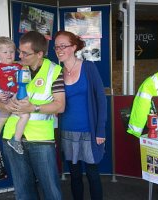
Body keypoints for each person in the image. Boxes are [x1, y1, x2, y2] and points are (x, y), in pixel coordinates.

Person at [0, 31, 65, 200]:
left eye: (25, 53)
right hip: (11, 137)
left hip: (40, 139)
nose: (19, 56)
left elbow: (60, 106)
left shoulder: (54, 71)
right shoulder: (13, 67)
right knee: (23, 191)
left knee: (51, 189)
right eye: (19, 52)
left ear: (40, 54)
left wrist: (33, 107)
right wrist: (5, 105)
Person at [54, 30, 107, 200]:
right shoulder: (56, 73)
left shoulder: (88, 67)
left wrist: (100, 130)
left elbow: (101, 100)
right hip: (67, 132)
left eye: (63, 46)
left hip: (89, 131)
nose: (59, 50)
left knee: (92, 174)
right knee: (75, 176)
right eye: (56, 47)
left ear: (74, 47)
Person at [0, 36, 30, 154]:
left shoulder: (18, 66)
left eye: (11, 52)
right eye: (5, 52)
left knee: (6, 118)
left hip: (17, 96)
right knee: (6, 119)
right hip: (6, 98)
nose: (9, 55)